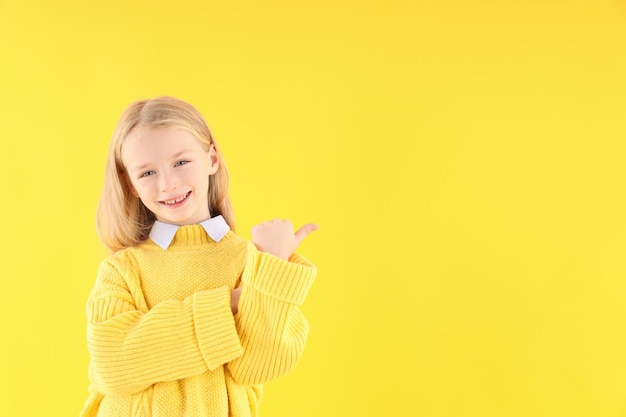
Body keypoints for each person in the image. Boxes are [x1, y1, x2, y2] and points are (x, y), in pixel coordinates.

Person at [80, 96, 318, 417]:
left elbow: (256, 367)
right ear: (131, 185)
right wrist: (232, 302)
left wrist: (273, 269)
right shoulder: (122, 269)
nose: (168, 184)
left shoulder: (251, 263)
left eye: (181, 162)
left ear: (212, 159)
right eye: (147, 173)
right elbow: (112, 363)